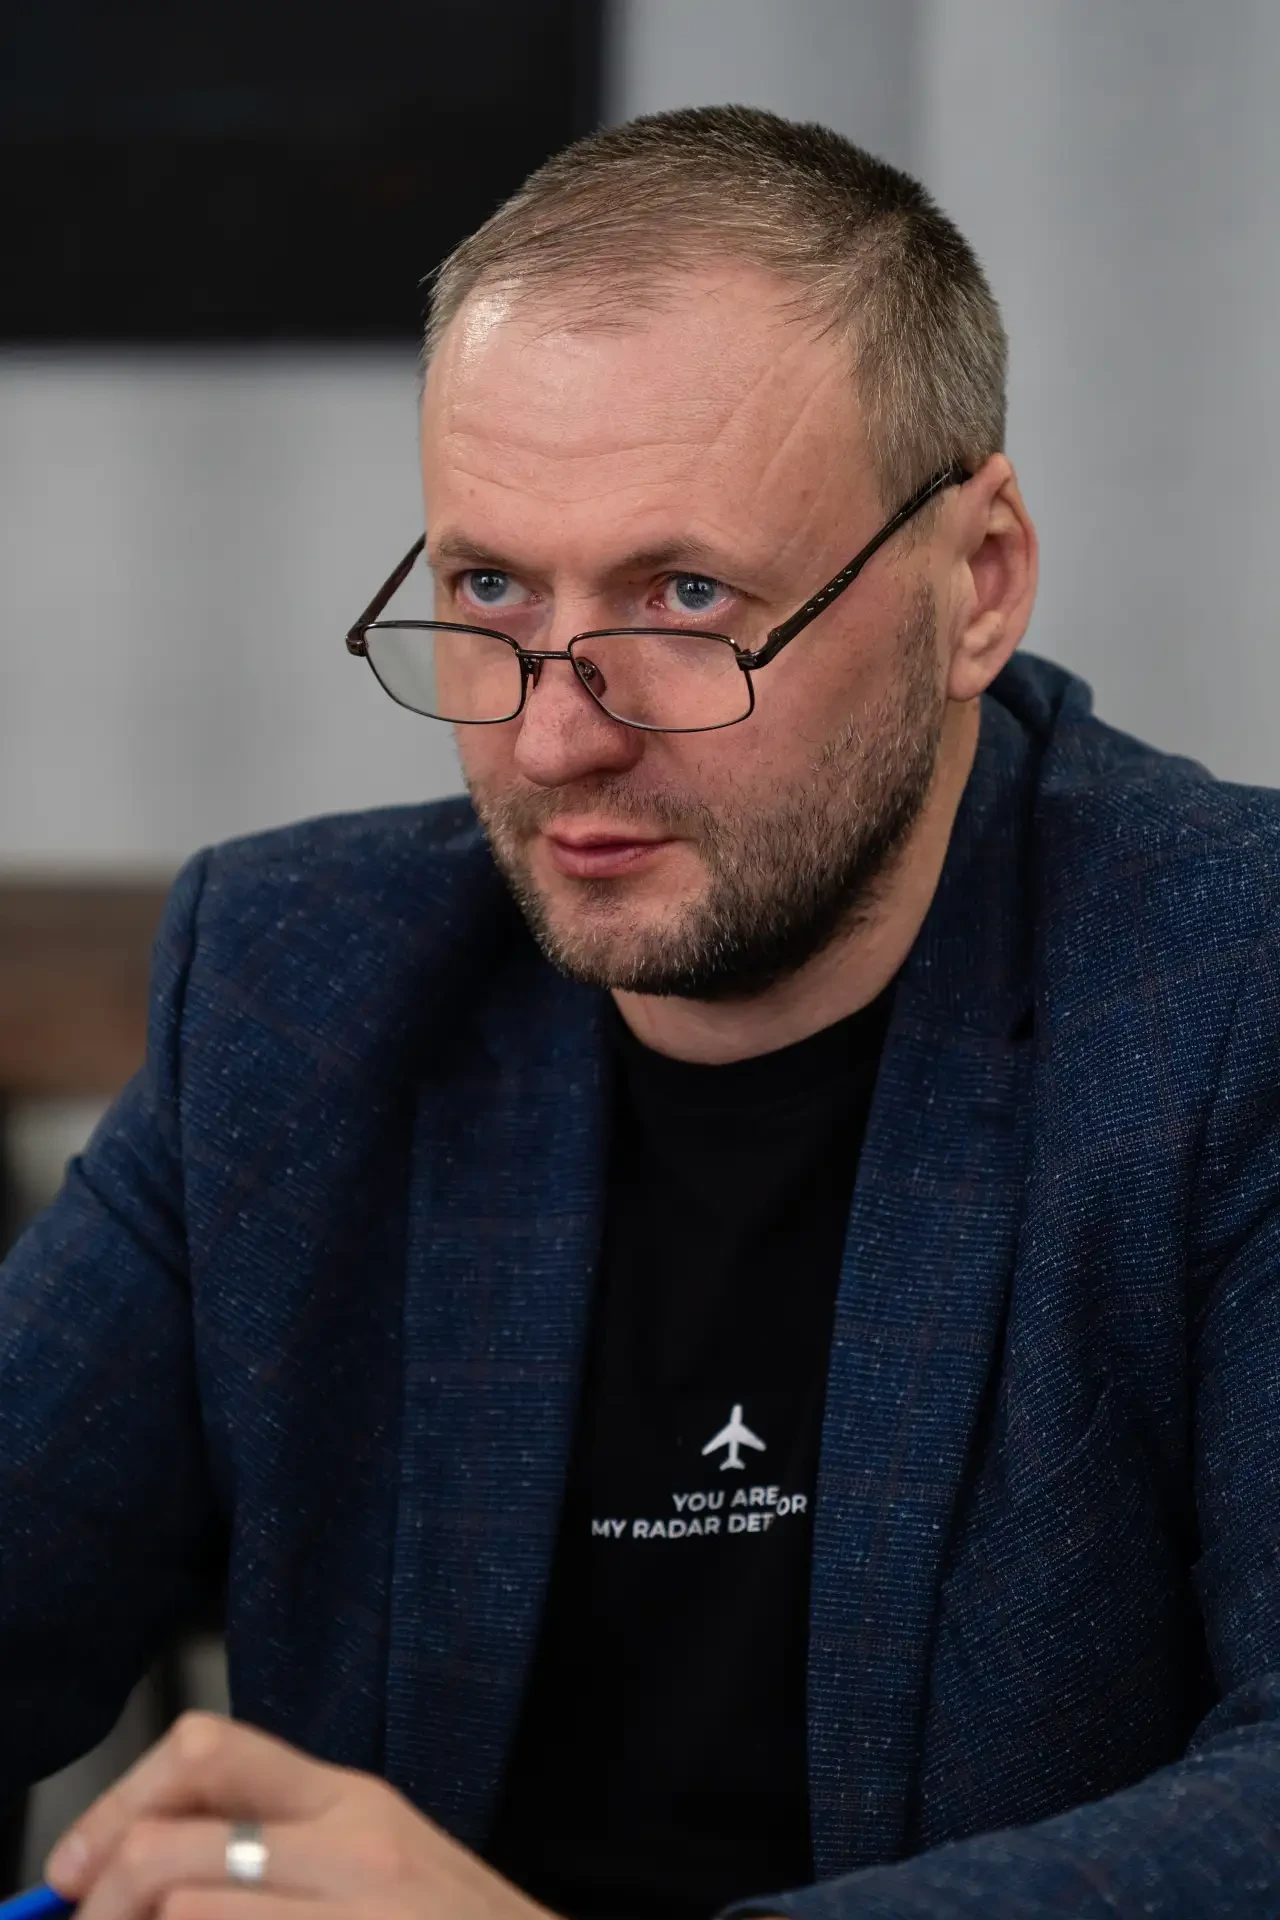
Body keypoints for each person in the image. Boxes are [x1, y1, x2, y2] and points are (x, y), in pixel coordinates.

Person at [5, 102, 1280, 1920]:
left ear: (977, 582)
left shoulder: (1227, 986)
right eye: (490, 590)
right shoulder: (302, 987)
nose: (550, 738)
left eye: (684, 598)